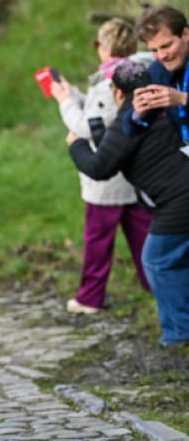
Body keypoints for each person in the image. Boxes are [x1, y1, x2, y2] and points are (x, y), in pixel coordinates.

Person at [67, 59, 189, 347]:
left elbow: (100, 167)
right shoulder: (163, 106)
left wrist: (76, 144)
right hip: (179, 192)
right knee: (174, 259)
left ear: (118, 92)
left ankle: (178, 334)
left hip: (178, 200)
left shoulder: (129, 120)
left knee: (156, 260)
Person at [50, 18, 152, 314]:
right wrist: (74, 95)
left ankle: (90, 298)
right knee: (143, 235)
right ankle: (156, 284)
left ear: (105, 46)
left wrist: (64, 103)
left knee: (98, 242)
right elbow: (98, 111)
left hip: (107, 179)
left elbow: (87, 125)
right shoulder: (128, 73)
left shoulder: (112, 80)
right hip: (130, 176)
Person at [126, 5, 189, 144]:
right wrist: (138, 113)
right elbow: (131, 129)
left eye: (167, 46)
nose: (162, 56)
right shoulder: (158, 71)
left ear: (186, 34)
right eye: (154, 50)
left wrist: (183, 99)